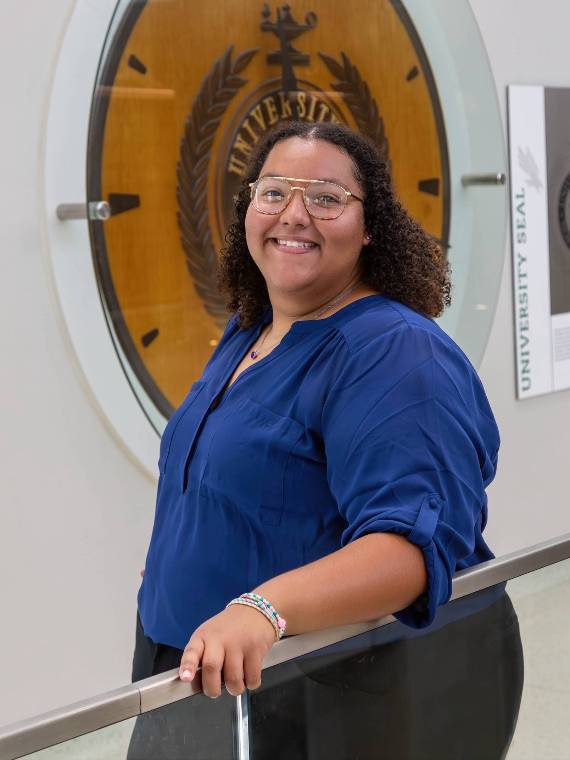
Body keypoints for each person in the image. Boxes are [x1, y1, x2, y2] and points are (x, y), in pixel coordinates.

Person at [128, 121, 522, 759]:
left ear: (371, 226)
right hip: (197, 671)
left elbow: (410, 552)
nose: (294, 214)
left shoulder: (394, 352)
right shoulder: (251, 328)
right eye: (274, 191)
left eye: (327, 197)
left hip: (323, 687)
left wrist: (263, 608)